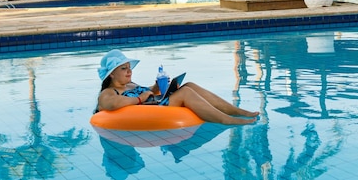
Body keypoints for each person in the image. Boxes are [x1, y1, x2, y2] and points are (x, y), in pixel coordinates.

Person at [95, 50, 258, 125]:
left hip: (155, 102)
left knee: (189, 85)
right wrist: (139, 98)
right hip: (152, 109)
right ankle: (227, 120)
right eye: (124, 69)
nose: (129, 71)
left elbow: (150, 93)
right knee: (186, 92)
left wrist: (158, 86)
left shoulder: (129, 84)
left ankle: (238, 111)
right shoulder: (108, 92)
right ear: (111, 74)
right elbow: (111, 104)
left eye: (129, 67)